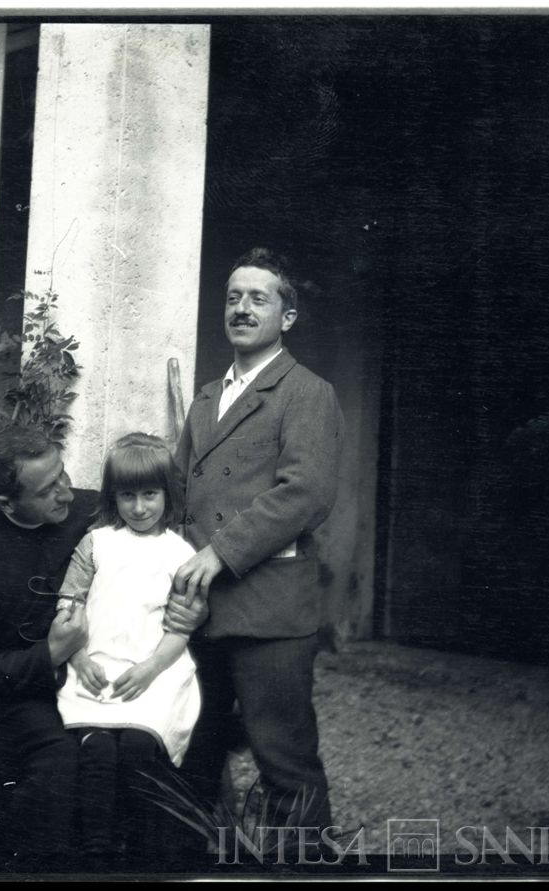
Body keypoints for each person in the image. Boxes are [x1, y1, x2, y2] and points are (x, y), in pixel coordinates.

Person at [172, 247, 344, 834]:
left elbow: (307, 494)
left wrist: (220, 550)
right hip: (202, 610)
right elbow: (179, 494)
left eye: (258, 298)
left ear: (286, 317)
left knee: (284, 759)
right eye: (233, 297)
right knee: (197, 747)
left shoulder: (307, 393)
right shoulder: (203, 396)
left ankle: (307, 868)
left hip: (269, 609)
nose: (241, 309)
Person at [0, 426, 95, 860]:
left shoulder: (93, 509)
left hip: (94, 684)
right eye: (49, 490)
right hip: (15, 706)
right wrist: (51, 653)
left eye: (63, 476)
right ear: (6, 504)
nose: (66, 494)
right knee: (61, 760)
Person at [53, 433, 201, 859]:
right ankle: (97, 850)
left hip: (155, 670)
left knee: (138, 748)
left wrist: (151, 669)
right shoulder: (96, 543)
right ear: (112, 496)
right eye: (128, 495)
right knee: (96, 750)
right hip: (96, 665)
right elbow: (69, 607)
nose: (139, 508)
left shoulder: (180, 553)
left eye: (150, 495)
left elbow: (179, 631)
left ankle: (139, 848)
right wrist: (78, 658)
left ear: (166, 494)